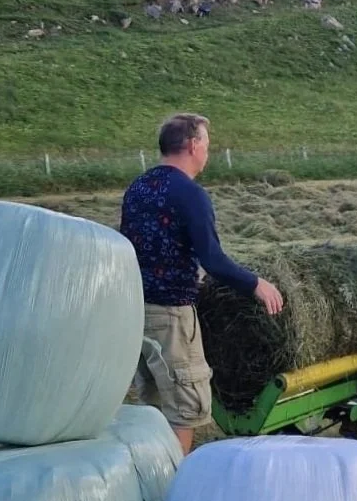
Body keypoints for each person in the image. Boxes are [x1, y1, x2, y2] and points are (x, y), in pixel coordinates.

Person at [122, 113, 284, 454]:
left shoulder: (137, 188)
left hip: (135, 311)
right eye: (207, 144)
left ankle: (150, 480)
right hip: (172, 315)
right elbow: (212, 259)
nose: (208, 152)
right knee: (185, 408)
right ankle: (175, 489)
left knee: (153, 406)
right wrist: (256, 284)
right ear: (193, 145)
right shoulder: (190, 193)